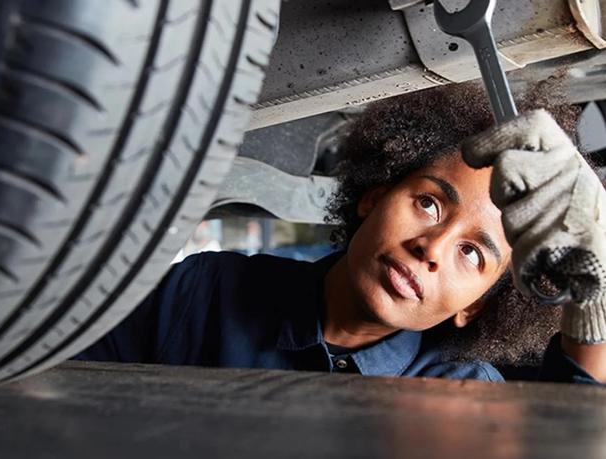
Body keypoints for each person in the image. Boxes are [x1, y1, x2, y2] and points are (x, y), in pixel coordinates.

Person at [74, 82, 606, 384]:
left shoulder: (463, 393)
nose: (433, 249)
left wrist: (595, 280)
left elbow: (574, 424)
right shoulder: (207, 293)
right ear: (373, 196)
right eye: (428, 203)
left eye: (472, 254)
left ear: (476, 306)